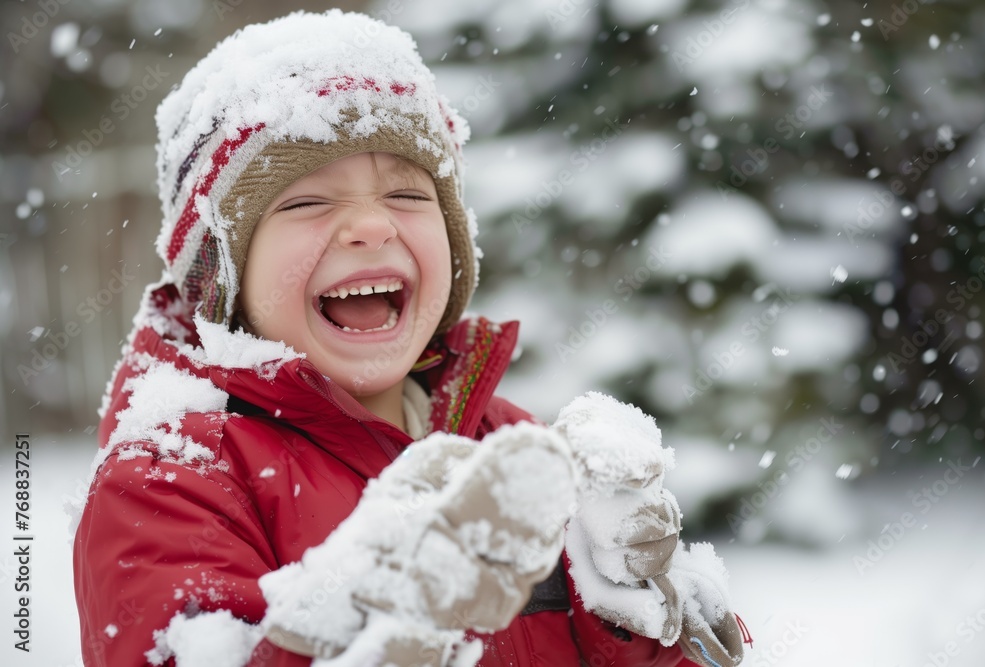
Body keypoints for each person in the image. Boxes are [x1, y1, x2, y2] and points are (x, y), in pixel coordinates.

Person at [73, 9, 748, 667]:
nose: (371, 226)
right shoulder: (171, 477)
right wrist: (335, 641)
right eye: (307, 201)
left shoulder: (507, 446)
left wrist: (635, 624)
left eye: (408, 195)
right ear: (222, 276)